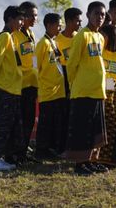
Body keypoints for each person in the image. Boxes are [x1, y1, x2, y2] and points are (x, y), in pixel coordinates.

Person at [66, 1, 108, 175]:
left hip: (97, 90)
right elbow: (71, 64)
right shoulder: (81, 36)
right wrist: (74, 85)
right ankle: (80, 164)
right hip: (83, 92)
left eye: (103, 15)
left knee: (94, 129)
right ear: (88, 15)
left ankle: (91, 160)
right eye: (97, 13)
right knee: (82, 129)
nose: (100, 17)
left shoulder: (99, 37)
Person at [0, 6, 25, 171]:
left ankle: (7, 158)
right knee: (2, 126)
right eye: (19, 19)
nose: (22, 23)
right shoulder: (5, 36)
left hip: (13, 89)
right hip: (4, 89)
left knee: (12, 126)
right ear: (9, 19)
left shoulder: (12, 37)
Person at [34, 13, 67, 159]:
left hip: (58, 90)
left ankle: (52, 149)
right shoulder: (42, 44)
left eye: (61, 24)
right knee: (45, 123)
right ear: (48, 25)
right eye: (58, 24)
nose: (60, 27)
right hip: (47, 91)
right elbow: (36, 67)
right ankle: (41, 151)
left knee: (56, 122)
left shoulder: (54, 42)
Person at [98, 23, 116, 167]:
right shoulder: (100, 51)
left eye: (103, 35)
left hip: (114, 95)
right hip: (99, 92)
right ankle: (96, 158)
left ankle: (110, 160)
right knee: (100, 126)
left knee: (113, 126)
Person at [15, 1, 39, 159]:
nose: (34, 19)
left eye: (36, 15)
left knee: (30, 120)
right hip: (19, 85)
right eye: (31, 15)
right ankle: (16, 153)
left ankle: (23, 152)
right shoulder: (14, 35)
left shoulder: (31, 34)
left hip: (33, 83)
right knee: (20, 121)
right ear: (23, 16)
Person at [57, 7, 83, 98]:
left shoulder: (80, 37)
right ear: (68, 21)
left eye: (81, 21)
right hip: (62, 79)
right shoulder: (57, 40)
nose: (80, 24)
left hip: (78, 77)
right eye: (78, 21)